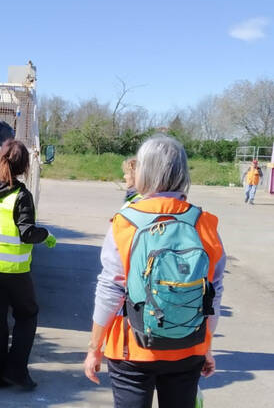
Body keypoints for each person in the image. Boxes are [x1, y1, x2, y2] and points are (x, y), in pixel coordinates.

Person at [83, 135, 226, 408]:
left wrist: (94, 348)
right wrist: (207, 346)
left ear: (143, 171)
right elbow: (214, 294)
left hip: (132, 349)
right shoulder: (206, 224)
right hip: (188, 347)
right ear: (183, 172)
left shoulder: (125, 222)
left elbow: (110, 291)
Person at [0, 139, 56, 391]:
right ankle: (16, 371)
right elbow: (27, 233)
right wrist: (47, 235)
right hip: (14, 272)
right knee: (27, 315)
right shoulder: (21, 195)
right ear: (23, 167)